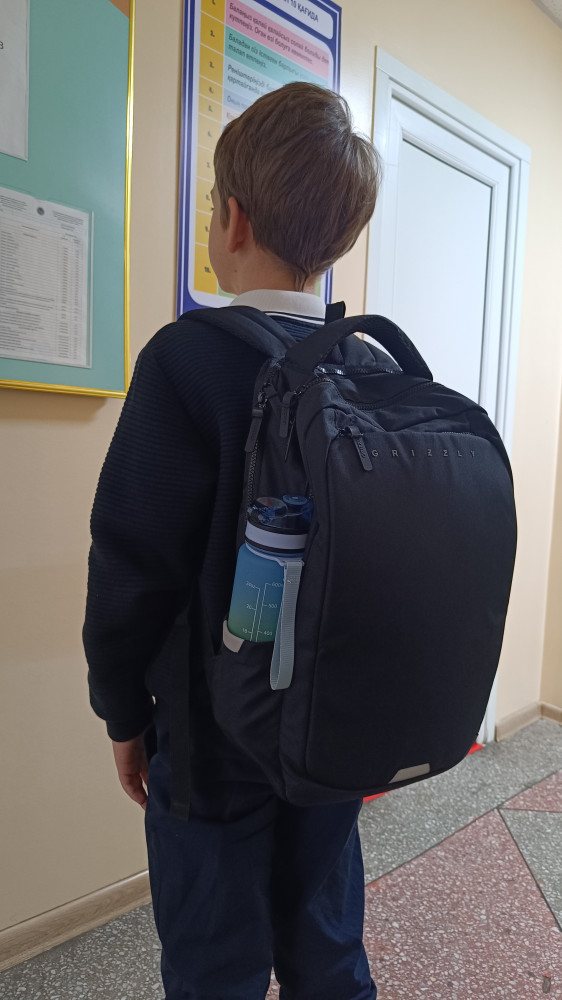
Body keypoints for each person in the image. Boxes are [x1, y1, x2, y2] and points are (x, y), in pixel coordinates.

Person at [83, 81, 383, 1000]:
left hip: (212, 741)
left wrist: (123, 714)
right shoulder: (368, 365)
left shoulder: (186, 361)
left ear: (232, 219)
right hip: (331, 733)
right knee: (328, 953)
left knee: (215, 966)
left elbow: (132, 568)